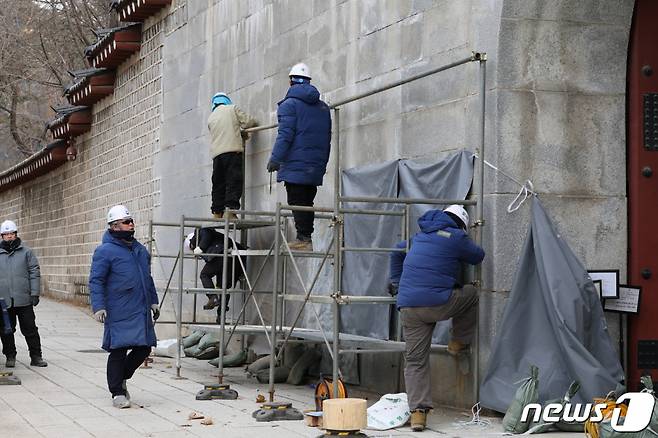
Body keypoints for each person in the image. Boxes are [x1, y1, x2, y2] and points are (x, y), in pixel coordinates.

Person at [389, 205, 485, 432]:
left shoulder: (420, 235)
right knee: (471, 294)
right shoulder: (456, 235)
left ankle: (418, 414)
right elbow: (478, 256)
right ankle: (458, 342)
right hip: (437, 303)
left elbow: (395, 250)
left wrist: (396, 282)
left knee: (415, 360)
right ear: (461, 223)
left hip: (409, 306)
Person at [89, 205, 159, 409]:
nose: (131, 225)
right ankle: (117, 392)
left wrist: (153, 301)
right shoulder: (105, 251)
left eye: (132, 221)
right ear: (114, 225)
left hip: (140, 307)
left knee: (144, 347)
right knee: (118, 349)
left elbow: (148, 278)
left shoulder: (139, 250)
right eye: (127, 222)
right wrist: (99, 306)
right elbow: (96, 280)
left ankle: (122, 377)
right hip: (118, 307)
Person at [266, 63, 332, 251]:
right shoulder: (323, 108)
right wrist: (322, 164)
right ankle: (305, 237)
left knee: (296, 201)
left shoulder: (289, 105)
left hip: (296, 164)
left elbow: (285, 134)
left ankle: (303, 239)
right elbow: (327, 137)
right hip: (315, 165)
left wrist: (275, 159)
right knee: (306, 202)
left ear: (291, 82)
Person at [0, 220, 47, 368]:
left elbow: (34, 272)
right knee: (6, 330)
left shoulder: (26, 252)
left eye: (11, 233)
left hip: (24, 299)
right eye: (6, 234)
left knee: (30, 329)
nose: (9, 236)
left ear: (16, 234)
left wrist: (35, 293)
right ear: (2, 236)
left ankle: (36, 356)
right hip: (4, 300)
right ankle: (10, 355)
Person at [208, 92, 257, 220]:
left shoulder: (211, 118)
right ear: (226, 101)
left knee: (218, 183)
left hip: (217, 156)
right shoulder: (232, 109)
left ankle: (217, 212)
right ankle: (230, 210)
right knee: (233, 181)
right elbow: (248, 122)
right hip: (232, 151)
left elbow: (224, 133)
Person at [185, 228, 246, 319]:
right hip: (235, 259)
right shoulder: (214, 240)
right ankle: (221, 316)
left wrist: (200, 247)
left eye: (192, 248)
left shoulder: (200, 232)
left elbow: (207, 232)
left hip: (223, 254)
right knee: (223, 288)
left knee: (205, 274)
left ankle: (212, 297)